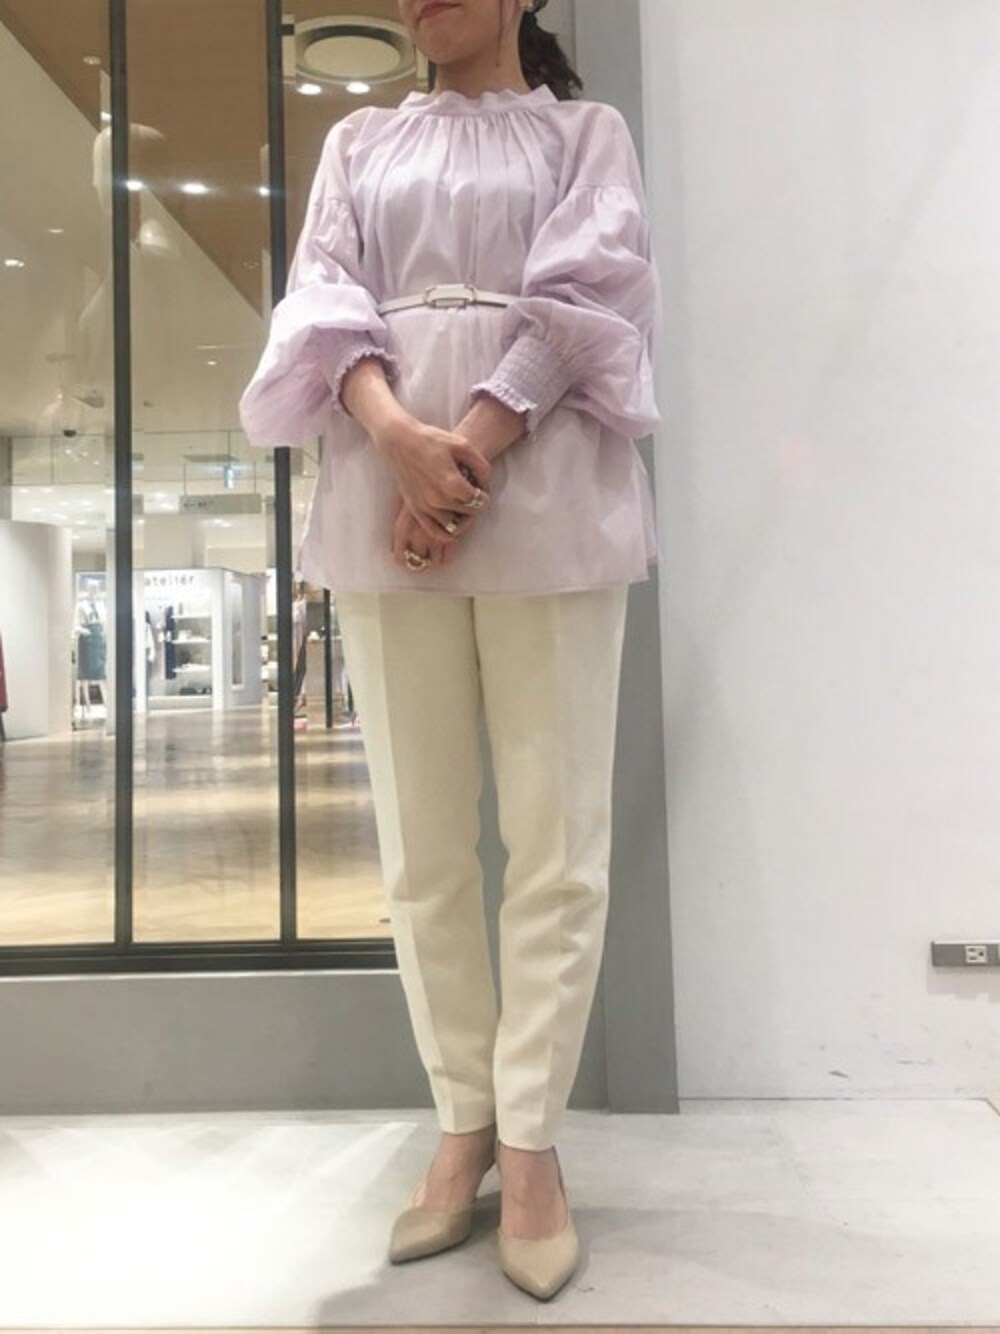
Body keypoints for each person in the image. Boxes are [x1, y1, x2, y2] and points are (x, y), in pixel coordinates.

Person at [239, 0, 663, 1301]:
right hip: (386, 496)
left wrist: (461, 452)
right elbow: (323, 304)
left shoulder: (585, 134)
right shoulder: (359, 144)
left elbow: (591, 297)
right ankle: (462, 1121)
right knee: (421, 849)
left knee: (556, 843)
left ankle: (529, 1146)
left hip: (545, 496)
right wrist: (398, 443)